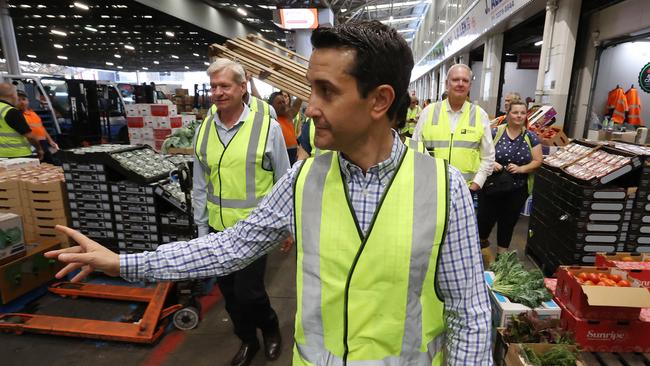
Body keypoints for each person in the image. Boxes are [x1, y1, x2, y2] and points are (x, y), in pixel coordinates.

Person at [45, 21, 492, 365]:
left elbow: (468, 314)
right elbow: (228, 248)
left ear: (379, 101)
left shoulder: (442, 188)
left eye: (325, 92)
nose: (309, 107)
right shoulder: (304, 179)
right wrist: (124, 263)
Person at [192, 58, 290, 365]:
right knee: (231, 297)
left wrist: (287, 227)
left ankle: (271, 328)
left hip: (254, 230)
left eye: (225, 85)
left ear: (241, 88)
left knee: (249, 293)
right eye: (214, 86)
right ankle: (248, 340)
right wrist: (201, 228)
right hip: (219, 232)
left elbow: (284, 181)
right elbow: (199, 181)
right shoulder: (204, 128)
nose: (218, 92)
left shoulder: (267, 128)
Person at [414, 64, 495, 191]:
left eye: (465, 80)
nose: (460, 84)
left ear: (470, 86)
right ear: (447, 84)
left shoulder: (480, 115)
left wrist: (475, 185)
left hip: (465, 190)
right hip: (431, 188)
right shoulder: (429, 112)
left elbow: (488, 157)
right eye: (456, 79)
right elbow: (415, 149)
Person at [478, 100, 542, 258]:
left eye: (522, 113)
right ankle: (479, 244)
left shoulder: (531, 137)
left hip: (517, 188)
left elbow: (537, 161)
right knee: (485, 220)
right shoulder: (495, 133)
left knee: (508, 222)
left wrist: (522, 169)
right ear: (507, 114)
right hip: (491, 187)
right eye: (515, 112)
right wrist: (491, 162)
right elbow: (478, 152)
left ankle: (501, 257)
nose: (519, 116)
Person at [0, 83, 44, 160]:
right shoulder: (11, 111)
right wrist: (39, 149)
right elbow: (30, 136)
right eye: (16, 95)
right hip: (18, 155)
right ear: (12, 95)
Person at [16, 90, 59, 163]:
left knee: (49, 163)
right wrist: (38, 148)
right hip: (31, 145)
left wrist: (50, 141)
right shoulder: (17, 115)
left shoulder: (33, 113)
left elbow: (41, 128)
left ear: (28, 101)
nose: (22, 102)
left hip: (43, 143)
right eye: (18, 100)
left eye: (24, 99)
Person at [269, 91, 299, 165]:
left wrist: (301, 92)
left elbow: (297, 104)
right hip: (281, 155)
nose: (283, 105)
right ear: (272, 106)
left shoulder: (288, 116)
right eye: (279, 103)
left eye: (283, 102)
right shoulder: (271, 118)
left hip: (294, 155)